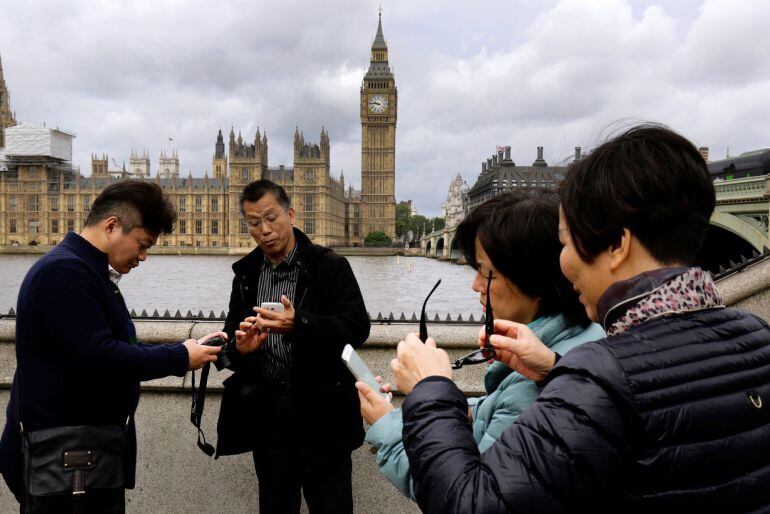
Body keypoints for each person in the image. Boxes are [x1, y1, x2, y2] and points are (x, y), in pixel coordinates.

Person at [390, 125, 770, 513]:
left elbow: (474, 504)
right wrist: (556, 371)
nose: (563, 262)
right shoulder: (757, 338)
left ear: (617, 245)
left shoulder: (604, 373)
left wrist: (431, 389)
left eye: (567, 241)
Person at [356, 189, 604, 498]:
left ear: (534, 278)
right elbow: (494, 413)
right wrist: (430, 408)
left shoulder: (535, 392)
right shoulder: (573, 347)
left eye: (488, 274)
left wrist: (421, 395)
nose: (475, 286)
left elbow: (464, 497)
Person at [0, 180, 224, 508]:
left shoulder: (86, 271)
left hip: (80, 458)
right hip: (64, 463)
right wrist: (177, 358)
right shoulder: (65, 273)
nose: (144, 257)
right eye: (143, 244)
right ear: (112, 226)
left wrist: (189, 348)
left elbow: (113, 345)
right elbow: (101, 358)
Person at [214, 179, 370, 514]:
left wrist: (298, 323)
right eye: (254, 223)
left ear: (292, 214)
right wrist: (242, 347)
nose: (264, 230)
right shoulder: (246, 273)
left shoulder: (329, 266)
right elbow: (229, 339)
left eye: (271, 218)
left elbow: (357, 328)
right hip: (269, 422)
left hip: (323, 419)